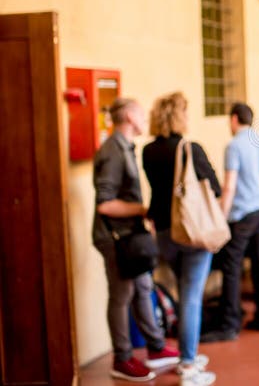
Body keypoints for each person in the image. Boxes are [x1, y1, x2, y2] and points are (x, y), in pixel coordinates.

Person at [92, 98, 179, 381]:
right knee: (121, 296)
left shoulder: (125, 147)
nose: (145, 118)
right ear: (129, 116)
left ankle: (155, 348)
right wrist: (144, 210)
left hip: (130, 235)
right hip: (115, 238)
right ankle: (122, 358)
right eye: (141, 113)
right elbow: (105, 204)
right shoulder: (113, 151)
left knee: (143, 287)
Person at [142, 92, 220, 384]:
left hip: (163, 231)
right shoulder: (190, 148)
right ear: (178, 115)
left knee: (183, 291)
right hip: (192, 232)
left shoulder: (148, 150)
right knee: (191, 298)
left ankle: (188, 352)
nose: (188, 117)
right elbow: (214, 187)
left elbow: (155, 189)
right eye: (185, 112)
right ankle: (188, 365)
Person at [201, 103, 259, 341]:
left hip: (242, 212)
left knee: (231, 266)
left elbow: (230, 186)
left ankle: (230, 323)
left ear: (234, 119)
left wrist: (220, 219)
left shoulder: (234, 146)